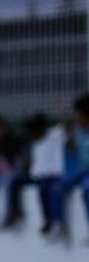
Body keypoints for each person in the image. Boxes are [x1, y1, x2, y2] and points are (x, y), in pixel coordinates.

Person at [48, 94, 89, 242]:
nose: (78, 119)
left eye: (80, 116)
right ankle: (60, 225)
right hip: (82, 170)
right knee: (56, 188)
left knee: (87, 191)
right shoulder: (78, 131)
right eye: (77, 116)